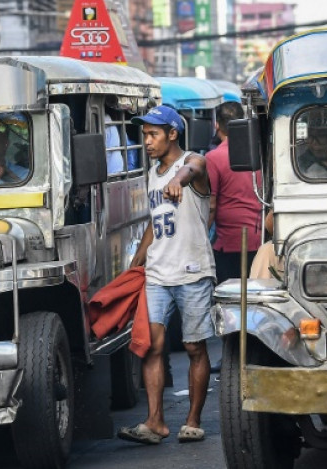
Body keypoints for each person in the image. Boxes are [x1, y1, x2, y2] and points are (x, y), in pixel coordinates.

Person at [118, 105, 216, 446]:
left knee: (193, 346)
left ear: (172, 134)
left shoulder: (193, 163)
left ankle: (192, 420)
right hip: (157, 274)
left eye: (153, 134)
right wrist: (137, 259)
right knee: (152, 346)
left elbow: (194, 167)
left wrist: (178, 178)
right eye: (144, 135)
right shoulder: (151, 173)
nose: (146, 141)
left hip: (193, 271)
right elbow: (153, 221)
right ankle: (155, 421)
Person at [207, 101, 262, 284]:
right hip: (258, 239)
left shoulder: (213, 158)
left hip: (228, 243)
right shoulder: (259, 153)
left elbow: (211, 206)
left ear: (217, 125)